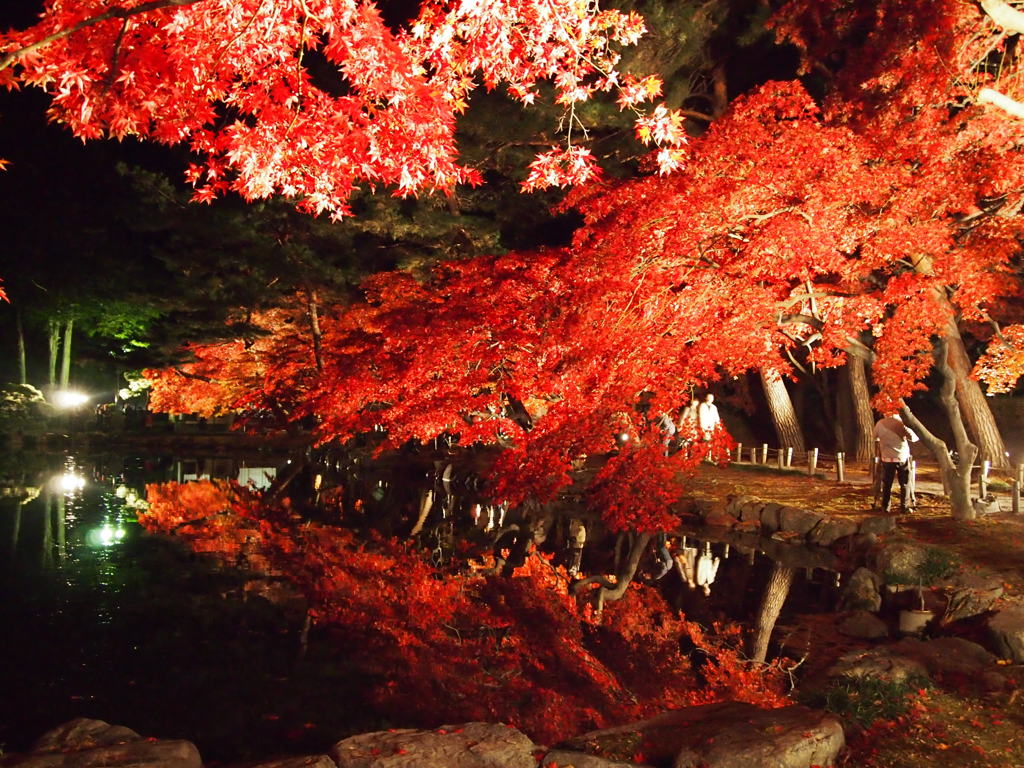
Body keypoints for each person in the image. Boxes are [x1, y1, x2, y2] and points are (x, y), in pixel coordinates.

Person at [872, 413, 919, 514]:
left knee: (887, 484)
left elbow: (874, 437)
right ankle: (904, 507)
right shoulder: (900, 424)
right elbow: (914, 438)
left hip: (887, 458)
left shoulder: (880, 424)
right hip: (902, 457)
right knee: (905, 483)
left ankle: (885, 507)